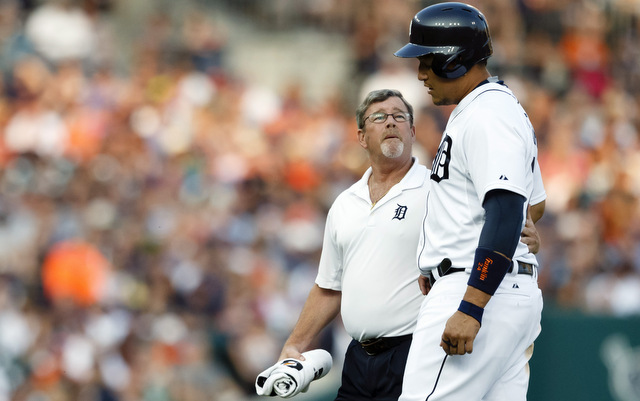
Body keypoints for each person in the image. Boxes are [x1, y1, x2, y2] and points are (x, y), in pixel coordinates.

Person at [275, 89, 543, 401]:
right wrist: (294, 344)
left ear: (412, 131)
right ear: (361, 137)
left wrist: (527, 238)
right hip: (359, 358)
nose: (390, 122)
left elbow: (503, 221)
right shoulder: (344, 204)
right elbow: (329, 287)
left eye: (399, 116)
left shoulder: (438, 190)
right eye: (379, 117)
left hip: (416, 348)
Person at [393, 3, 546, 401]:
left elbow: (508, 208)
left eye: (426, 60)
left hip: (475, 289)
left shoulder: (487, 115)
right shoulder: (493, 108)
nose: (421, 72)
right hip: (503, 289)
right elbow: (534, 203)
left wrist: (472, 306)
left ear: (453, 60)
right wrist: (517, 224)